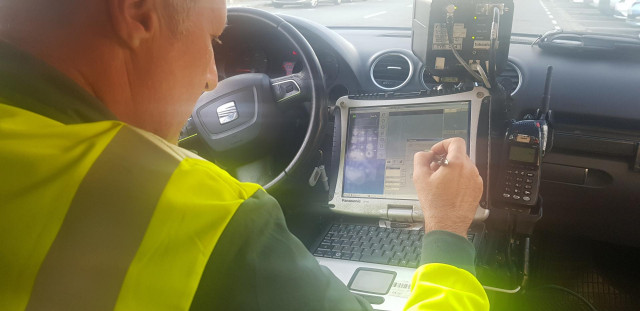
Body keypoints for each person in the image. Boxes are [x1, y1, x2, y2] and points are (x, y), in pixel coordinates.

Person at [0, 0, 489, 310]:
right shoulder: (206, 217)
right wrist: (446, 231)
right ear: (137, 12)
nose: (214, 78)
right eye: (214, 39)